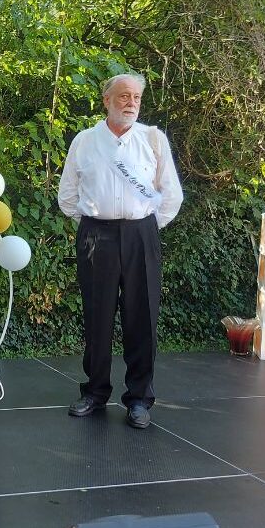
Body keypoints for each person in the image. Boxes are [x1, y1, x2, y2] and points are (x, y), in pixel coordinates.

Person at [57, 73, 183, 429]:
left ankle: (140, 398)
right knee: (97, 317)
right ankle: (95, 392)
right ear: (106, 100)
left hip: (142, 234)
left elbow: (171, 195)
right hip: (97, 235)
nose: (131, 102)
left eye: (137, 97)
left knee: (141, 318)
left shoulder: (153, 140)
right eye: (123, 96)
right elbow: (68, 196)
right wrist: (98, 223)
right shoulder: (84, 141)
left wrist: (143, 227)